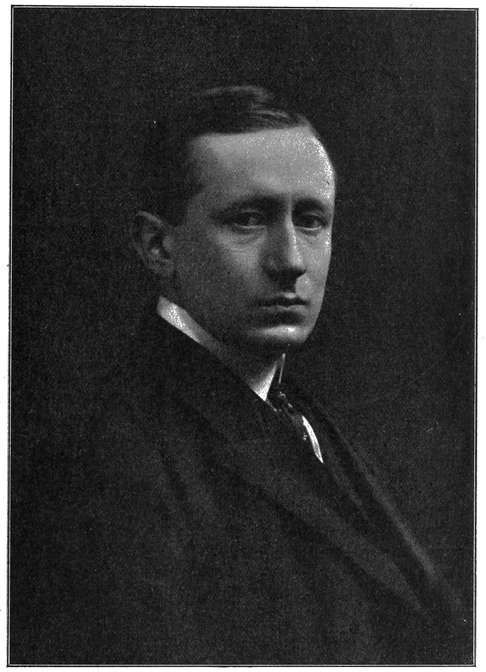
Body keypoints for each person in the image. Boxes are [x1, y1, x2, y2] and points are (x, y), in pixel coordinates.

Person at [20, 85, 469, 664]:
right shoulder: (113, 457)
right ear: (158, 247)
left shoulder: (298, 413)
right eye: (249, 220)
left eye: (311, 220)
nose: (291, 260)